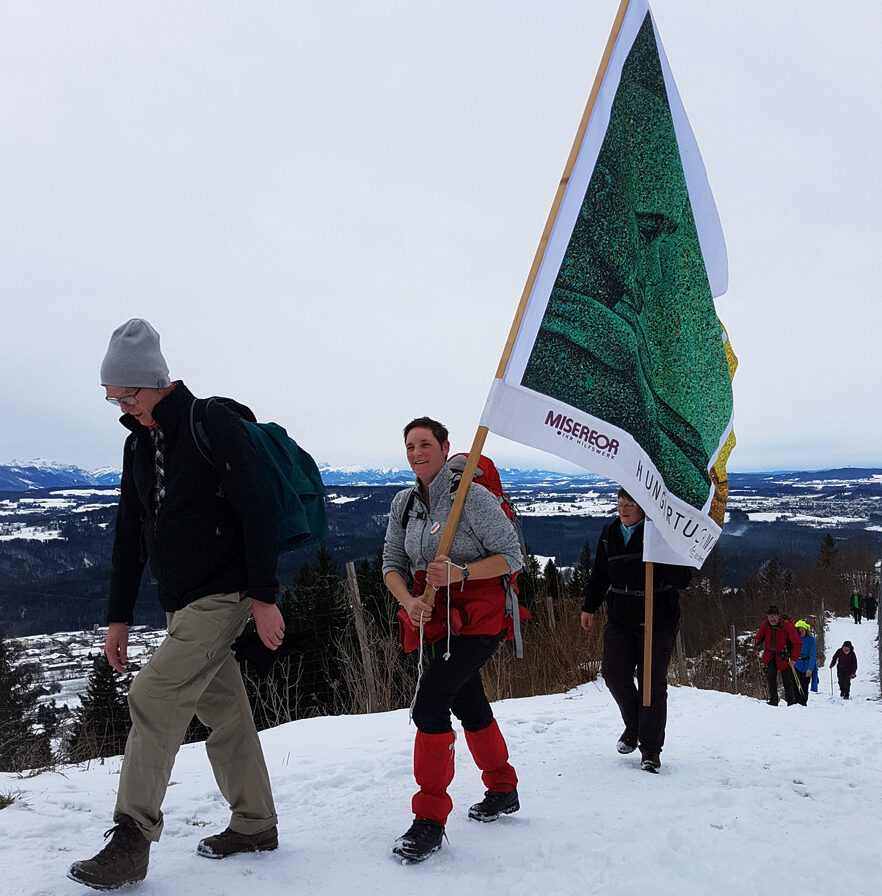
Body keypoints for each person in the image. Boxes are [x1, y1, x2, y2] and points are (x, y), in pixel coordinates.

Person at [68, 319, 284, 890]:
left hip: (224, 595)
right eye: (113, 399)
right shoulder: (137, 444)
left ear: (155, 381)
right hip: (181, 603)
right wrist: (118, 617)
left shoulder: (210, 422)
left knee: (153, 693)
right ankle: (256, 823)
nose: (123, 408)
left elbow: (256, 510)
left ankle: (132, 837)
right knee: (225, 711)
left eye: (128, 395)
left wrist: (264, 597)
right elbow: (129, 533)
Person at [382, 417, 523, 863]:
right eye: (410, 446)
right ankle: (502, 788)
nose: (416, 453)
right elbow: (391, 563)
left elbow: (513, 556)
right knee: (467, 701)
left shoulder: (472, 497)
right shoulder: (404, 503)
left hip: (480, 620)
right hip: (436, 621)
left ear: (445, 448)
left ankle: (429, 819)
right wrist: (408, 602)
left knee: (430, 703)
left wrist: (462, 573)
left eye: (425, 444)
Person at [580, 488, 692, 774]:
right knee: (613, 673)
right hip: (620, 617)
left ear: (643, 507)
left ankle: (650, 750)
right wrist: (589, 607)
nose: (624, 509)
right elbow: (600, 574)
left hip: (658, 617)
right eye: (620, 503)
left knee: (651, 682)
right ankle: (635, 726)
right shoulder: (610, 534)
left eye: (630, 504)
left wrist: (660, 551)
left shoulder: (660, 532)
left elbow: (684, 579)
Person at [754, 606, 802, 706]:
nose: (772, 619)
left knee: (787, 680)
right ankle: (773, 701)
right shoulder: (765, 625)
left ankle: (791, 703)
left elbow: (797, 643)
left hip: (784, 656)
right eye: (770, 616)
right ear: (767, 616)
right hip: (770, 656)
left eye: (774, 616)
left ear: (779, 616)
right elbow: (760, 636)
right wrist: (756, 641)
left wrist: (794, 658)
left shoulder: (787, 626)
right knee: (771, 679)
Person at [792, 620, 818, 705]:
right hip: (796, 665)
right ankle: (795, 703)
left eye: (802, 631)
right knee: (795, 686)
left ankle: (803, 704)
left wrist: (810, 669)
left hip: (807, 665)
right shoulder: (794, 639)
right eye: (799, 631)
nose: (801, 633)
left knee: (804, 686)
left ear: (806, 630)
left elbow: (812, 655)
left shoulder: (811, 640)